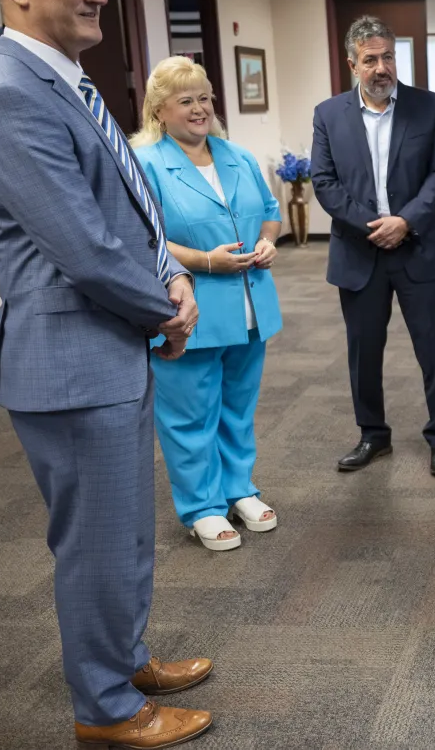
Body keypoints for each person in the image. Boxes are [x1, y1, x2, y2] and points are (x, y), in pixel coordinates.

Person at [0, 0, 213, 748]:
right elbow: (84, 248)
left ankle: (124, 655)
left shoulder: (69, 81)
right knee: (94, 543)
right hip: (68, 359)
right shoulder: (4, 97)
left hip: (110, 348)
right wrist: (167, 305)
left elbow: (128, 215)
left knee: (127, 528)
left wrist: (170, 272)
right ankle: (105, 709)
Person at [132, 57, 284, 552]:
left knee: (238, 408)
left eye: (204, 98)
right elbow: (142, 237)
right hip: (189, 307)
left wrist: (268, 242)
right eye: (186, 101)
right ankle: (202, 506)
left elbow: (269, 213)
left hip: (249, 308)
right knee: (190, 414)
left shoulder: (237, 155)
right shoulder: (146, 163)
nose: (200, 109)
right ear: (159, 110)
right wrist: (203, 261)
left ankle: (239, 489)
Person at [310, 15, 435, 477]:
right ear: (352, 63)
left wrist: (406, 221)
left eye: (388, 57)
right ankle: (372, 435)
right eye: (370, 59)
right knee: (363, 350)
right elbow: (324, 181)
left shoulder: (428, 107)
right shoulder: (328, 114)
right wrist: (374, 224)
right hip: (360, 251)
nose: (381, 68)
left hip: (420, 248)